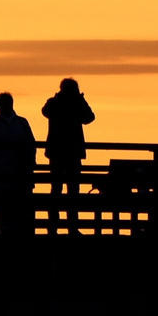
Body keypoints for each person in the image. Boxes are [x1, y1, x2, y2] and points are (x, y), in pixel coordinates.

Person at [41, 78, 95, 234]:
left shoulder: (54, 102)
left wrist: (60, 97)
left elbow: (45, 111)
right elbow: (90, 117)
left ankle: (53, 227)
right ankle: (72, 227)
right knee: (72, 191)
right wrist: (81, 99)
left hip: (57, 152)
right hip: (72, 153)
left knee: (56, 190)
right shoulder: (76, 103)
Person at [0, 92, 35, 239]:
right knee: (5, 205)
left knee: (20, 205)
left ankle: (20, 232)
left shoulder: (22, 123)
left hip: (20, 172)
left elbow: (31, 144)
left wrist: (29, 162)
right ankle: (4, 231)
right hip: (3, 171)